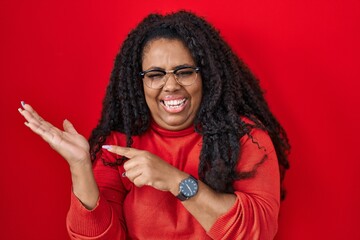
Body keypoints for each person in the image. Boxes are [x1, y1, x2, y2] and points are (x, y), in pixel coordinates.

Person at [18, 10, 290, 240]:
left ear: (205, 76)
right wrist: (80, 167)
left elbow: (259, 231)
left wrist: (174, 179)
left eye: (184, 72)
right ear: (140, 83)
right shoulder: (118, 146)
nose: (171, 85)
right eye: (155, 74)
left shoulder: (244, 137)